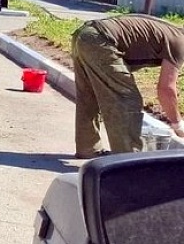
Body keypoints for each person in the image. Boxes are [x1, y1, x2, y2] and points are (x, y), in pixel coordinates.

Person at [71, 15, 184, 158]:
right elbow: (166, 89)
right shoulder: (180, 44)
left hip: (85, 35)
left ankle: (88, 149)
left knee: (89, 95)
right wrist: (177, 123)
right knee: (127, 99)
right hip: (100, 41)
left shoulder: (173, 34)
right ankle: (127, 159)